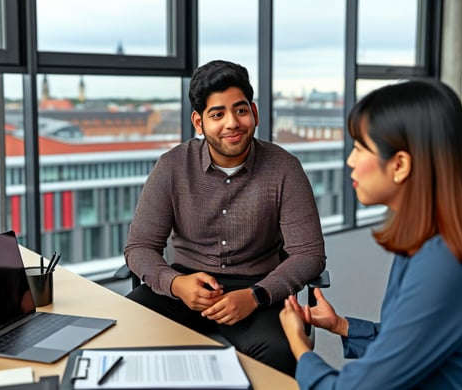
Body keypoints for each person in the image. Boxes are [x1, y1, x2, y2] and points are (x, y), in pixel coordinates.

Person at [279, 79, 462, 389]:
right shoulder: (433, 243)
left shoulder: (444, 263)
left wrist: (299, 347)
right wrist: (341, 325)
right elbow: (409, 344)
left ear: (400, 164)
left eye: (359, 148)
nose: (350, 161)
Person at [124, 59, 326, 375]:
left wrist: (256, 296)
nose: (232, 122)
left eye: (240, 110)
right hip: (187, 286)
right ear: (199, 122)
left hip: (257, 291)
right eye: (217, 114)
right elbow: (139, 248)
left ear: (254, 113)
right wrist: (176, 284)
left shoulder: (285, 168)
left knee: (281, 355)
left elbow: (309, 255)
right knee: (124, 334)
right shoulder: (172, 166)